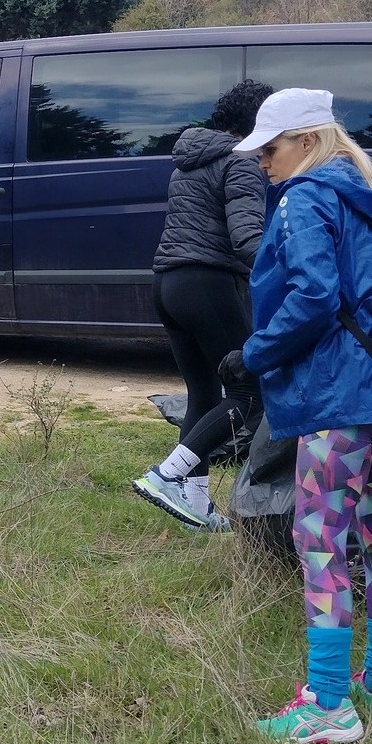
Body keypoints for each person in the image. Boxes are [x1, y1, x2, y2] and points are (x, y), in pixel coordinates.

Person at [231, 88, 372, 744]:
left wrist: (254, 353)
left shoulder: (306, 199)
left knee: (319, 538)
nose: (262, 162)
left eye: (270, 149)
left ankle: (328, 707)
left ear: (308, 141)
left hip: (341, 397)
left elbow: (314, 296)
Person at [133, 79, 274, 529]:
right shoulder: (242, 163)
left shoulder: (189, 161)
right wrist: (290, 272)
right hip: (207, 284)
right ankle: (166, 474)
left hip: (167, 284)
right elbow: (247, 238)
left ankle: (195, 503)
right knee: (251, 392)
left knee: (204, 393)